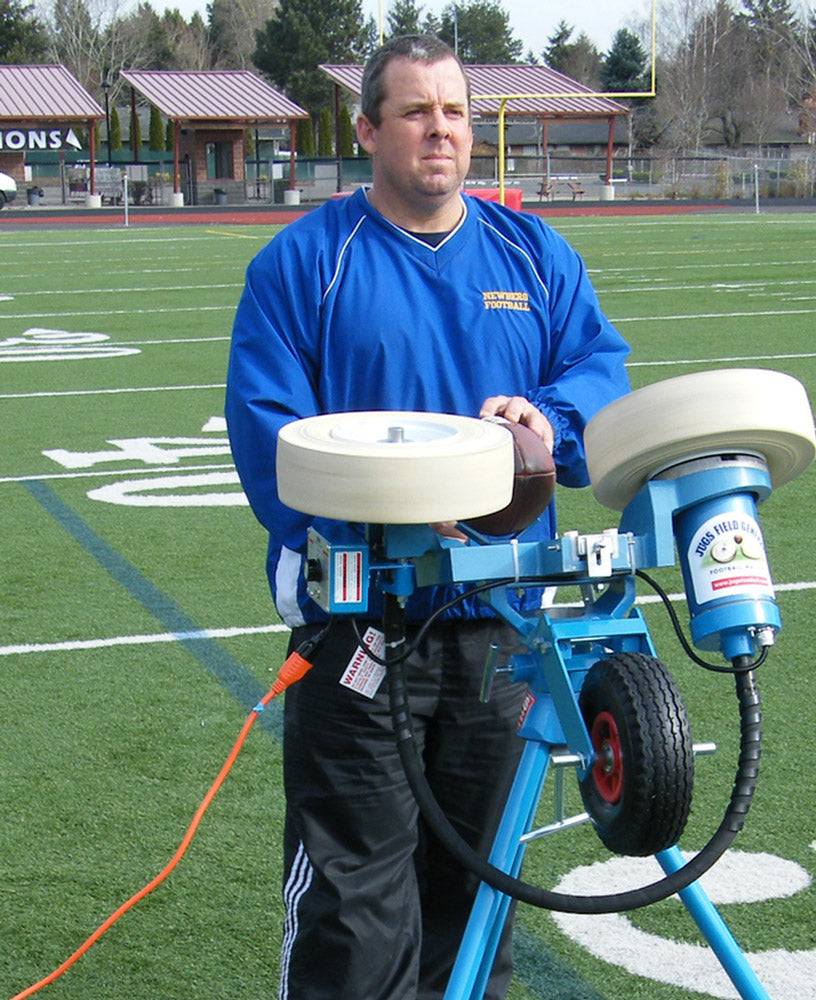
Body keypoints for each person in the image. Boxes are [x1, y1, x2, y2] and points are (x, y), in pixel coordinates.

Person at [225, 33, 631, 1000]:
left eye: (454, 111)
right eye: (415, 111)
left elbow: (599, 371)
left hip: (502, 632)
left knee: (476, 896)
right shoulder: (303, 265)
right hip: (363, 631)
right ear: (367, 130)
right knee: (355, 908)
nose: (439, 130)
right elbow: (269, 438)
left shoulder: (534, 255)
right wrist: (391, 510)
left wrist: (551, 418)